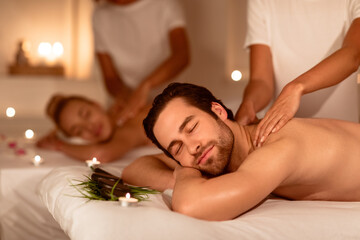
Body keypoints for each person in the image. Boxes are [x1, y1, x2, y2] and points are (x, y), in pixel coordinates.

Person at [124, 82, 360, 221]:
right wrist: (187, 171)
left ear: (218, 111)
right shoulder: (227, 152)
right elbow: (134, 169)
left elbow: (190, 205)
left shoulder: (276, 146)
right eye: (177, 148)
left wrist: (186, 173)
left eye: (192, 127)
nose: (192, 147)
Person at [236, 0, 360, 147]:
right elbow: (261, 80)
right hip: (289, 140)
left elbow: (353, 55)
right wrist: (249, 104)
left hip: (344, 137)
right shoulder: (261, 2)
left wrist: (296, 88)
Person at [92, 0, 190, 125]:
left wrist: (145, 86)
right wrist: (127, 99)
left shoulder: (164, 4)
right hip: (128, 107)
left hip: (169, 99)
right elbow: (110, 77)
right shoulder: (100, 15)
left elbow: (181, 56)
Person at [36, 94, 150, 162]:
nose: (90, 127)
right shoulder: (116, 117)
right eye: (79, 131)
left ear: (96, 104)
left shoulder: (131, 123)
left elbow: (101, 155)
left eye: (87, 114)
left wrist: (59, 145)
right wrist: (54, 133)